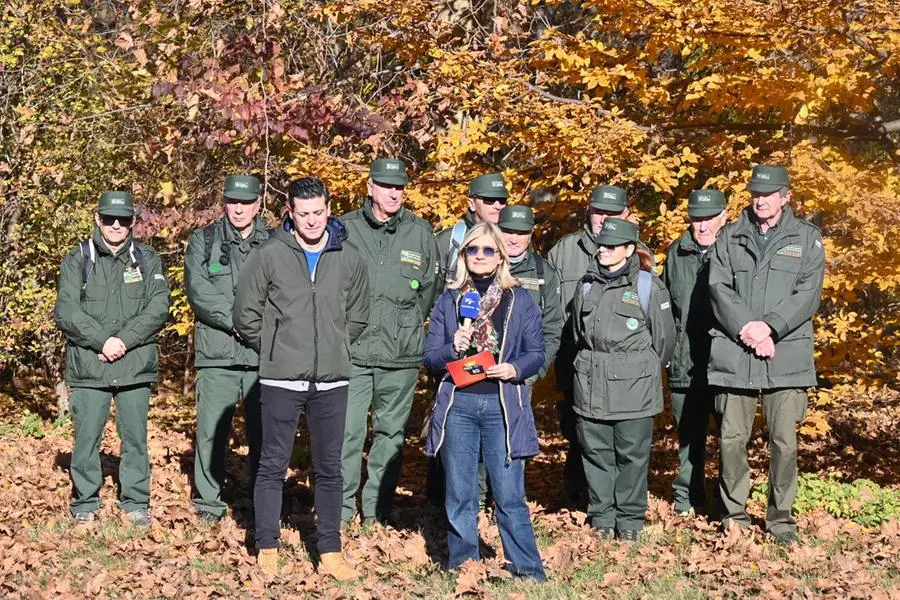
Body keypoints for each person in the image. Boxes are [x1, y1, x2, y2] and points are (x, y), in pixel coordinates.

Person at [233, 176, 369, 580]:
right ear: (289, 212)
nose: (312, 221)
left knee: (330, 468)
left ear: (329, 207)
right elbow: (245, 314)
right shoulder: (270, 255)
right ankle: (268, 546)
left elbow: (359, 315)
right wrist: (278, 346)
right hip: (280, 378)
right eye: (303, 213)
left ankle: (330, 550)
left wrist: (335, 345)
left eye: (318, 212)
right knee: (272, 465)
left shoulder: (349, 256)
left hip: (331, 380)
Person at [708, 165, 825, 545]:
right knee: (731, 439)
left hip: (785, 354)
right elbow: (718, 287)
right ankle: (735, 517)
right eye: (756, 193)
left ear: (785, 196)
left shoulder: (806, 238)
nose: (761, 200)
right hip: (736, 352)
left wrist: (770, 327)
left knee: (784, 442)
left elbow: (807, 294)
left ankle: (780, 521)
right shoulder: (729, 237)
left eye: (769, 194)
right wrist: (748, 328)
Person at [423, 223, 546, 581]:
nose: (480, 256)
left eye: (488, 250)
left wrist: (513, 368)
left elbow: (536, 352)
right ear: (463, 256)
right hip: (458, 406)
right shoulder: (450, 300)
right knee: (459, 494)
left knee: (508, 495)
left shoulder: (519, 300)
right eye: (472, 250)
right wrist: (452, 347)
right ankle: (465, 566)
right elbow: (430, 358)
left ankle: (528, 570)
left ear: (500, 256)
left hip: (502, 406)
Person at [54, 191, 170, 526]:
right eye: (109, 219)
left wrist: (124, 341)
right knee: (87, 436)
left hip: (134, 365)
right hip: (91, 365)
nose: (116, 226)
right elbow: (66, 310)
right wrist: (102, 341)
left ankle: (135, 502)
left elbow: (158, 307)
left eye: (123, 219)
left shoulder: (147, 259)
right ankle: (85, 503)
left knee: (134, 437)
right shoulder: (78, 259)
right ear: (97, 219)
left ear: (133, 221)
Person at [340, 159, 439, 528]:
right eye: (386, 186)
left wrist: (405, 326)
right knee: (347, 433)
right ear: (370, 188)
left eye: (399, 187)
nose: (394, 193)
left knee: (390, 436)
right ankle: (342, 509)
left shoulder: (420, 232)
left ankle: (376, 513)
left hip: (400, 355)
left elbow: (427, 290)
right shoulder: (346, 229)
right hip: (353, 352)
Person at [571, 217, 675, 541]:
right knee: (596, 454)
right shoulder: (586, 285)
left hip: (634, 391)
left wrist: (636, 371)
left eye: (611, 246)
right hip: (590, 386)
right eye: (601, 244)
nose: (603, 250)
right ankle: (602, 519)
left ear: (629, 250)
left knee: (632, 457)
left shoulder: (647, 286)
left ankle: (629, 522)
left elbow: (664, 340)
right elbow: (578, 333)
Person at [185, 174, 270, 523]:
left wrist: (256, 327)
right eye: (233, 201)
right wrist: (236, 321)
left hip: (263, 355)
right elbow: (198, 290)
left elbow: (285, 292)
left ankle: (263, 504)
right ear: (224, 202)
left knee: (264, 435)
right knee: (211, 432)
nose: (239, 209)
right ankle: (209, 504)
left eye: (246, 202)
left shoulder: (277, 242)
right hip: (217, 353)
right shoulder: (203, 240)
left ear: (258, 205)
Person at [547, 185, 629, 505]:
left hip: (619, 363)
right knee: (575, 429)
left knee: (617, 434)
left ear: (624, 214)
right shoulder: (563, 252)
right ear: (588, 211)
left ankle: (615, 499)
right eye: (598, 211)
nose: (604, 219)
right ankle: (575, 494)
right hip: (573, 357)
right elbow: (549, 311)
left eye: (612, 213)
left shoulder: (640, 254)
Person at [662, 189, 729, 516]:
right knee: (689, 437)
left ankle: (728, 504)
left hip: (726, 361)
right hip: (685, 362)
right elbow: (665, 310)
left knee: (730, 438)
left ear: (724, 217)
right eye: (696, 219)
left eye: (709, 218)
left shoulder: (734, 251)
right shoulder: (677, 252)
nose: (702, 226)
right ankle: (688, 498)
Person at [497, 205, 564, 382]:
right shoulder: (480, 263)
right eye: (508, 231)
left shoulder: (544, 273)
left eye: (521, 233)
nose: (513, 239)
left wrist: (533, 373)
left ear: (531, 234)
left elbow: (552, 329)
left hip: (521, 375)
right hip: (480, 372)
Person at [435, 173, 510, 285]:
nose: (497, 206)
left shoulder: (512, 240)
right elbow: (432, 291)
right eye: (489, 200)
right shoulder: (449, 240)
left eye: (502, 200)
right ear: (471, 204)